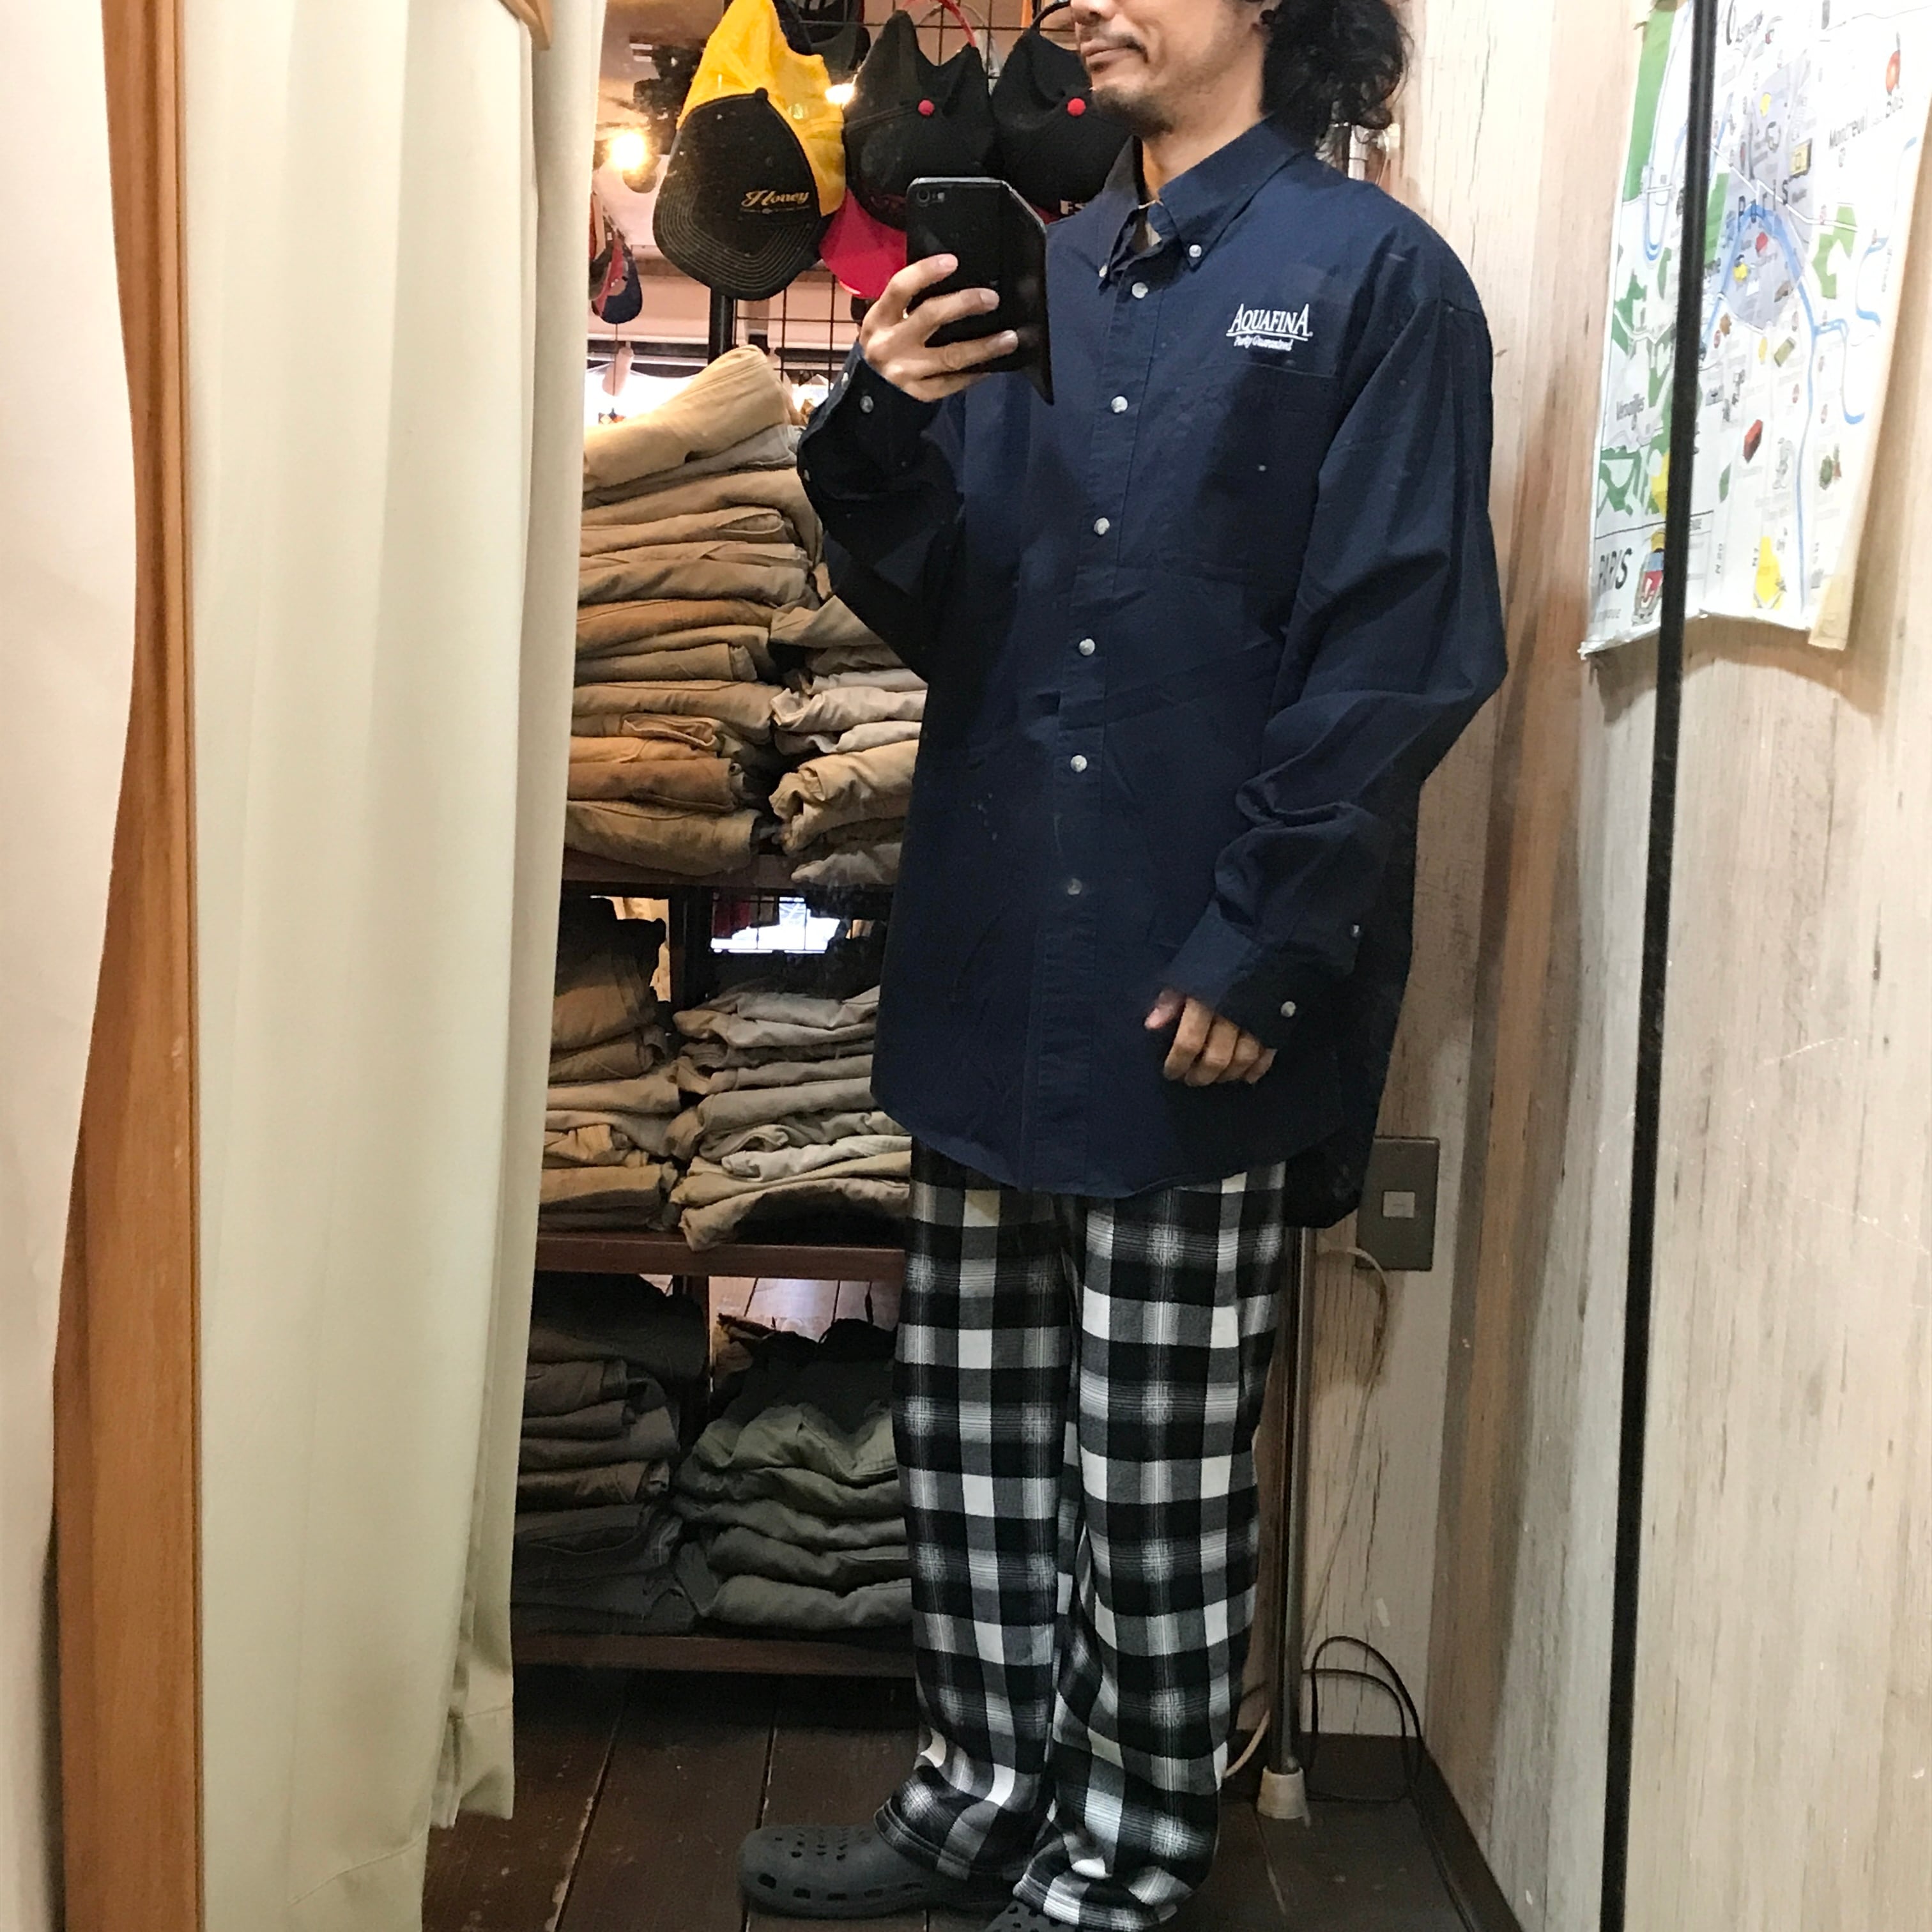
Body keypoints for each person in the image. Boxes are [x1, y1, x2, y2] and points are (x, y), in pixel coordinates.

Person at [740, 0, 1506, 1924]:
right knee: (975, 1441)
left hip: (1189, 973)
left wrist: (1267, 941)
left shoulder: (1379, 282)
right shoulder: (1049, 267)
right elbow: (960, 603)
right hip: (993, 939)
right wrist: (877, 425)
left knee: (1153, 1473)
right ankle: (979, 1794)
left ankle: (1132, 1851)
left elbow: (1398, 645)